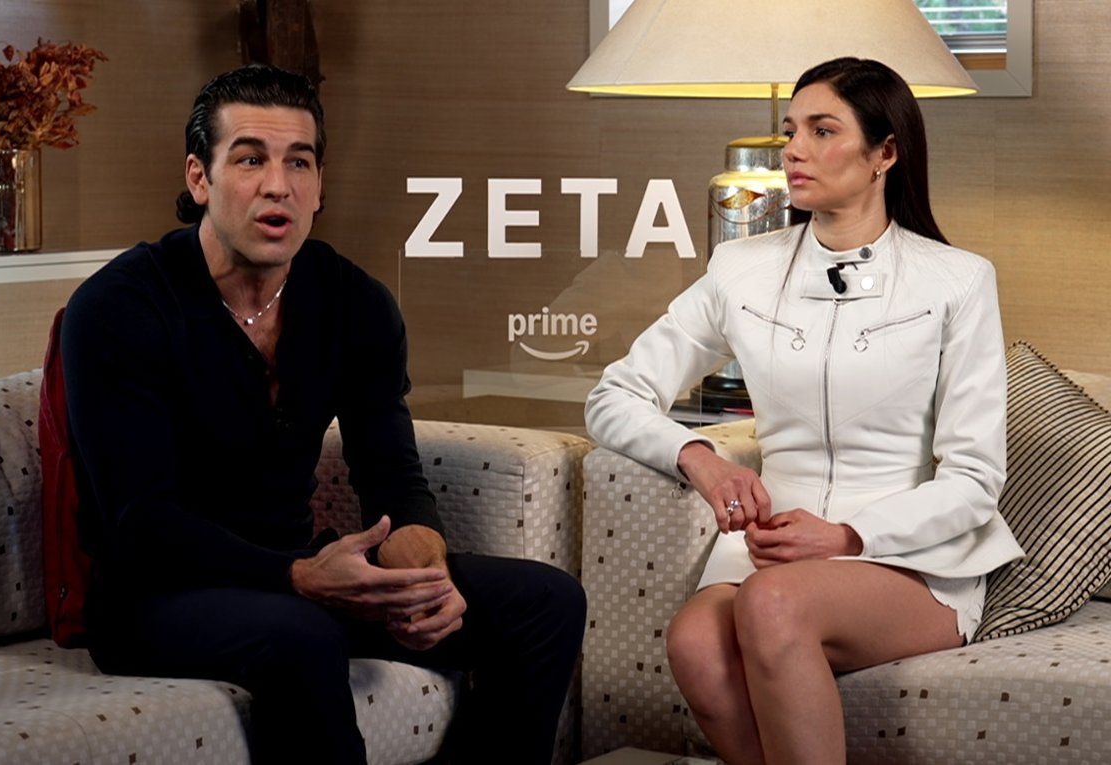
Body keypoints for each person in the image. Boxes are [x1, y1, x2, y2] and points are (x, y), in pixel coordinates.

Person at [62, 63, 585, 765]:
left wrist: (423, 578)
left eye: (299, 162)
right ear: (199, 178)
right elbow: (142, 522)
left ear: (318, 187)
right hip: (156, 596)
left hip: (301, 575)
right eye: (250, 159)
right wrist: (299, 575)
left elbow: (392, 477)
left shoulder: (354, 302)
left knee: (546, 602)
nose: (277, 185)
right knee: (302, 633)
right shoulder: (118, 308)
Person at [585, 57, 1024, 765]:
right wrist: (699, 458)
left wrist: (848, 535)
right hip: (769, 546)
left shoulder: (958, 281)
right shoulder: (740, 268)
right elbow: (613, 396)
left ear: (885, 152)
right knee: (694, 640)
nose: (793, 149)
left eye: (823, 131)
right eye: (791, 131)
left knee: (773, 602)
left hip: (910, 558)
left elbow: (974, 481)